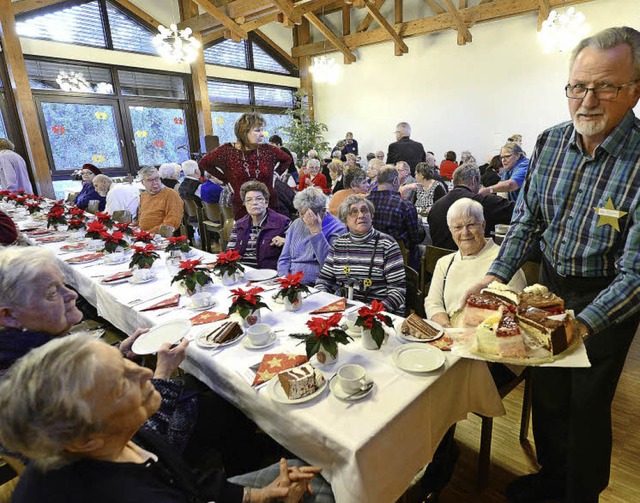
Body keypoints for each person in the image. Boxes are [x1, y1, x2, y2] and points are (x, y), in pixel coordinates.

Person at [467, 27, 640, 503]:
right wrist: (495, 275)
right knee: (545, 393)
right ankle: (550, 479)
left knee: (586, 405)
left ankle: (580, 493)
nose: (587, 100)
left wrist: (578, 327)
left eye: (605, 86)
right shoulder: (550, 142)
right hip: (550, 287)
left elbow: (637, 275)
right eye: (577, 86)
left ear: (635, 89)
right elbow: (527, 221)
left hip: (608, 297)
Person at [0, 335, 325, 503]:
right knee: (326, 485)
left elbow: (187, 482)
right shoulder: (129, 495)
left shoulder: (118, 438)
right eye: (120, 385)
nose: (144, 372)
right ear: (86, 439)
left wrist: (257, 495)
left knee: (307, 469)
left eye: (126, 363)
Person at [426, 198, 526, 327]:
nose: (465, 232)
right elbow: (433, 303)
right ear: (450, 231)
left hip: (491, 336)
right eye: (458, 227)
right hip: (449, 332)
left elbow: (515, 310)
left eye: (471, 225)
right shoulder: (444, 263)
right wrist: (447, 329)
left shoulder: (504, 263)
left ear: (483, 225)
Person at [316, 196, 406, 315]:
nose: (361, 215)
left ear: (371, 215)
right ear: (345, 220)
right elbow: (324, 280)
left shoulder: (387, 244)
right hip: (345, 310)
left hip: (379, 313)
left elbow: (398, 291)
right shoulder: (339, 244)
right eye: (354, 212)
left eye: (364, 210)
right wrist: (325, 301)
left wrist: (371, 313)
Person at [198, 112, 292, 220]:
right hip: (242, 207)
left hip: (269, 205)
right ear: (244, 132)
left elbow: (287, 159)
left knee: (272, 234)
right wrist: (227, 180)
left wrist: (275, 174)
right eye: (257, 130)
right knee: (246, 235)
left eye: (262, 130)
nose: (262, 134)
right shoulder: (226, 151)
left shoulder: (268, 150)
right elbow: (204, 162)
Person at [428, 164, 514, 250]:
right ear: (474, 181)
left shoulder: (435, 206)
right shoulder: (482, 202)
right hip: (474, 259)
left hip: (440, 259)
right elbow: (518, 211)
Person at [277, 187, 346, 284]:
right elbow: (284, 259)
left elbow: (330, 266)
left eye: (308, 214)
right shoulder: (296, 224)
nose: (304, 219)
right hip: (290, 282)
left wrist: (316, 231)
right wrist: (285, 279)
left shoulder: (338, 228)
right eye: (301, 213)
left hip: (317, 284)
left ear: (323, 210)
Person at [367, 166, 425, 270]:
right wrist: (420, 225)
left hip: (368, 258)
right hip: (398, 260)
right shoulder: (405, 206)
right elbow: (416, 238)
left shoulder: (364, 203)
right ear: (395, 181)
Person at [227, 181, 290, 270]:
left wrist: (286, 242)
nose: (254, 203)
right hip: (243, 273)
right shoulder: (239, 225)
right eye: (249, 200)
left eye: (259, 199)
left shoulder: (283, 222)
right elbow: (230, 251)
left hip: (270, 275)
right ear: (244, 204)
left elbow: (298, 250)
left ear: (266, 202)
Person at [135, 166, 184, 234]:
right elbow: (141, 219)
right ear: (142, 183)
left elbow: (171, 223)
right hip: (144, 235)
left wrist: (148, 234)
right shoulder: (144, 195)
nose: (155, 183)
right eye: (150, 180)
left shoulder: (171, 194)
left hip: (162, 237)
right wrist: (134, 228)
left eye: (157, 178)